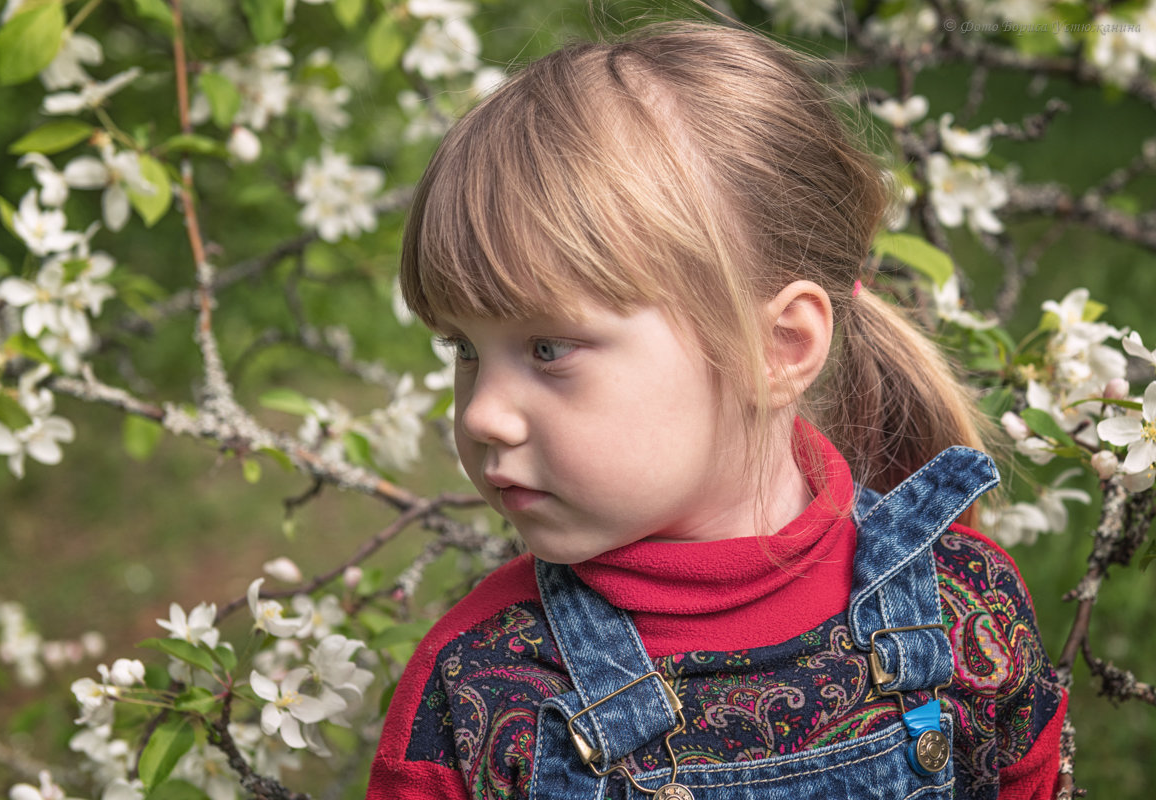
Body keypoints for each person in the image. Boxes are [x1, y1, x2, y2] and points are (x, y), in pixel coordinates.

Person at [367, 18, 1066, 800]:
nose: (482, 415)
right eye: (463, 348)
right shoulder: (482, 691)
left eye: (547, 349)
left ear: (778, 349)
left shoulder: (964, 613)